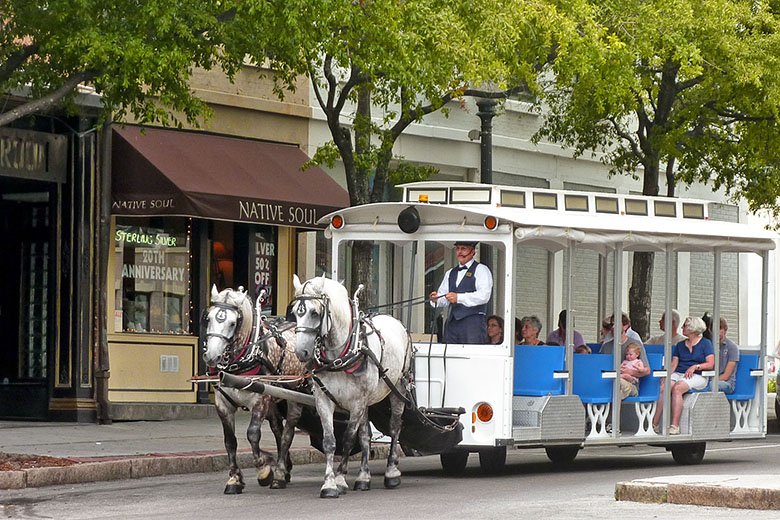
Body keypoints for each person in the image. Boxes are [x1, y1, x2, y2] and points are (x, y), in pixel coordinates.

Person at [652, 316, 715, 435]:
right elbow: (674, 364)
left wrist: (696, 366)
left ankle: (674, 425)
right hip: (680, 373)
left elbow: (710, 364)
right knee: (663, 388)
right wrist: (666, 376)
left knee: (677, 388)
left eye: (685, 326)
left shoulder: (706, 344)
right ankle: (654, 424)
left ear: (692, 328)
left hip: (698, 375)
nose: (682, 328)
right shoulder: (680, 345)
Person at [429, 241, 493, 344]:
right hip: (452, 323)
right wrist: (436, 299)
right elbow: (444, 298)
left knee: (471, 355)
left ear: (472, 252)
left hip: (473, 324)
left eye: (463, 249)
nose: (459, 252)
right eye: (458, 248)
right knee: (449, 354)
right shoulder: (450, 273)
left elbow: (484, 296)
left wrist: (459, 298)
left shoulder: (481, 270)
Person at [600, 313, 650, 399]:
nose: (613, 327)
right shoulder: (606, 346)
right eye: (612, 324)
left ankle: (615, 413)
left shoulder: (635, 344)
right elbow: (599, 368)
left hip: (630, 385)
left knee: (617, 387)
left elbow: (647, 371)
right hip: (608, 382)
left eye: (616, 324)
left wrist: (630, 372)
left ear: (625, 327)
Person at [716, 317, 740, 394]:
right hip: (711, 381)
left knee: (712, 386)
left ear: (725, 330)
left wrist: (711, 382)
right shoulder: (709, 345)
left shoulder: (732, 347)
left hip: (727, 383)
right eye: (714, 328)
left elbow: (726, 375)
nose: (716, 331)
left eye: (719, 328)